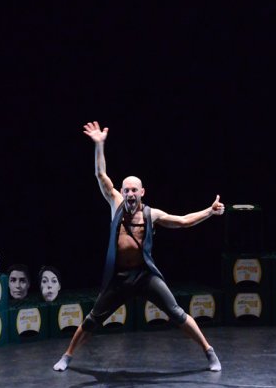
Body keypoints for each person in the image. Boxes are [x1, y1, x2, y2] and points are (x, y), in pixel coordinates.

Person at [53, 121, 223, 372]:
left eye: (134, 189)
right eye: (126, 190)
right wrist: (99, 145)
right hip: (119, 278)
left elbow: (184, 221)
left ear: (142, 191)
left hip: (144, 276)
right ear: (121, 191)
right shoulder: (116, 204)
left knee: (176, 312)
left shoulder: (151, 214)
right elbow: (101, 175)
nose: (130, 193)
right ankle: (67, 356)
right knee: (93, 319)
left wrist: (209, 212)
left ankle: (209, 352)